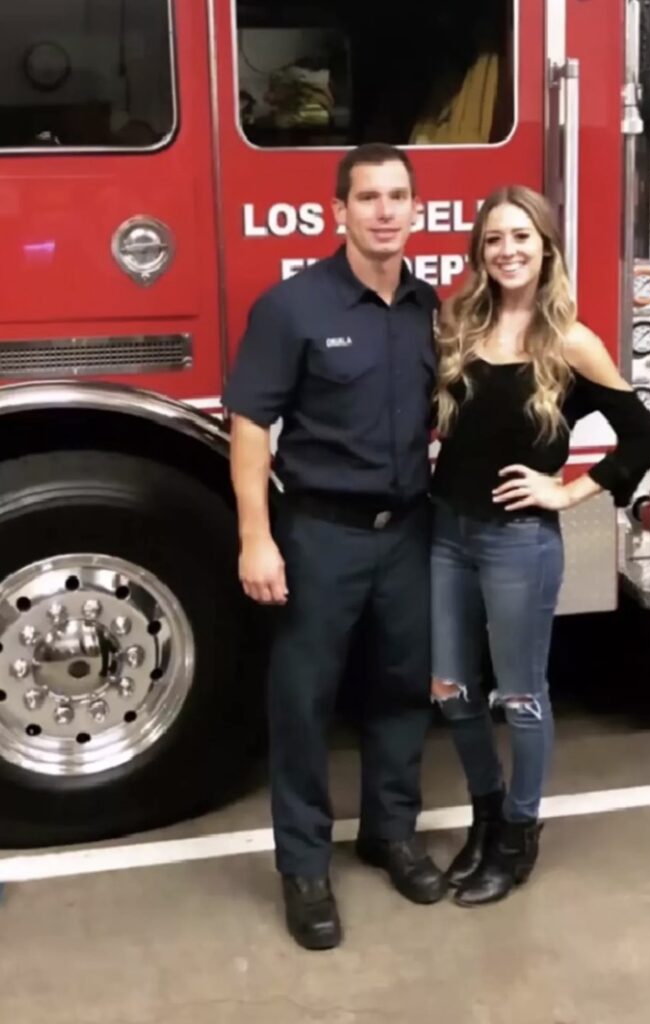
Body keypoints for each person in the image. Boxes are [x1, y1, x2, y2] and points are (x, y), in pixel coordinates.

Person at [223, 144, 445, 951]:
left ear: (415, 209)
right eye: (368, 197)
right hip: (319, 534)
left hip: (408, 532)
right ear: (338, 211)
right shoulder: (292, 307)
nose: (384, 211)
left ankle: (390, 834)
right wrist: (256, 538)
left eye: (398, 196)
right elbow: (250, 424)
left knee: (401, 692)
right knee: (303, 702)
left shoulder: (428, 305)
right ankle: (304, 868)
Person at [430, 185, 650, 908]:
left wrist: (564, 491)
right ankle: (485, 817)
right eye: (494, 239)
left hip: (518, 544)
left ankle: (518, 836)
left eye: (521, 237)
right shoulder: (459, 325)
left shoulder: (569, 342)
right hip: (447, 534)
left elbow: (643, 437)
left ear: (545, 248)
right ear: (480, 251)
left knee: (521, 697)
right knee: (451, 689)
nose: (507, 251)